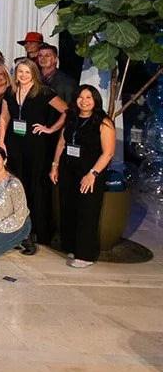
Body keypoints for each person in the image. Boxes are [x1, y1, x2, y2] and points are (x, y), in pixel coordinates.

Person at [0, 60, 67, 252]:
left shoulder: (44, 92)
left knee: (36, 186)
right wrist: (1, 141)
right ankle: (16, 229)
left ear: (34, 73)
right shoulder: (10, 92)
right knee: (16, 185)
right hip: (14, 144)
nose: (23, 75)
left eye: (27, 72)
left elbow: (67, 111)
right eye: (20, 71)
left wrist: (50, 128)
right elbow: (4, 117)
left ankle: (38, 232)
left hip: (36, 145)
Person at [52, 84, 116, 268]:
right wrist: (55, 166)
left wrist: (93, 174)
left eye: (89, 97)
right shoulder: (72, 117)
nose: (84, 101)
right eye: (80, 97)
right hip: (68, 170)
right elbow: (62, 143)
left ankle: (85, 255)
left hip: (90, 173)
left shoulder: (103, 122)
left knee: (86, 212)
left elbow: (108, 153)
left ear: (95, 100)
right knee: (68, 208)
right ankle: (72, 247)